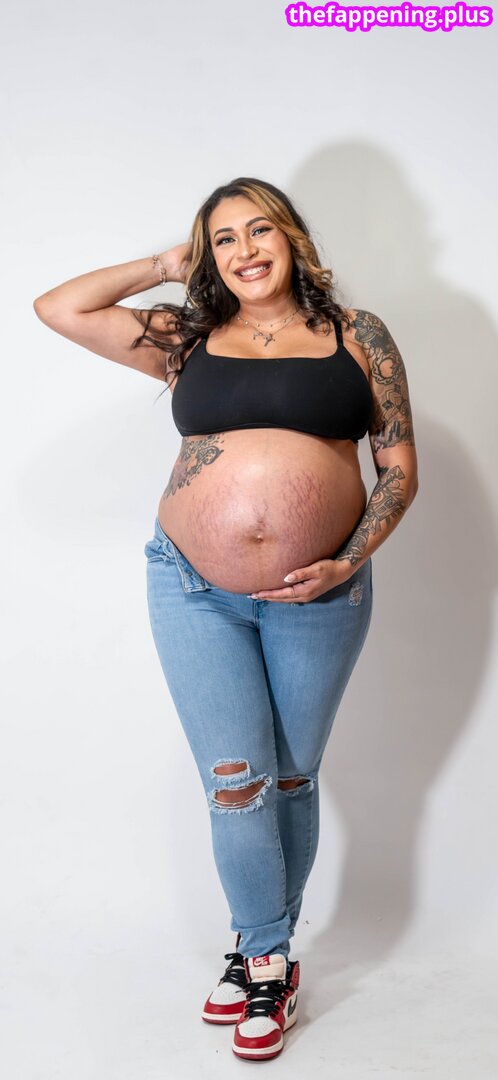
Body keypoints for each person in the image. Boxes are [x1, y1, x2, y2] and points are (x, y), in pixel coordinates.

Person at [33, 175, 419, 1062]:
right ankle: (266, 957)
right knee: (237, 780)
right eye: (224, 239)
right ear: (207, 254)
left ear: (292, 238)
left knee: (290, 775)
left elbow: (399, 469)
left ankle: (260, 952)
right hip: (191, 585)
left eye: (260, 231)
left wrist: (346, 560)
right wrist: (164, 263)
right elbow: (59, 308)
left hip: (321, 593)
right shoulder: (188, 337)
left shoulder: (358, 336)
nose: (245, 250)